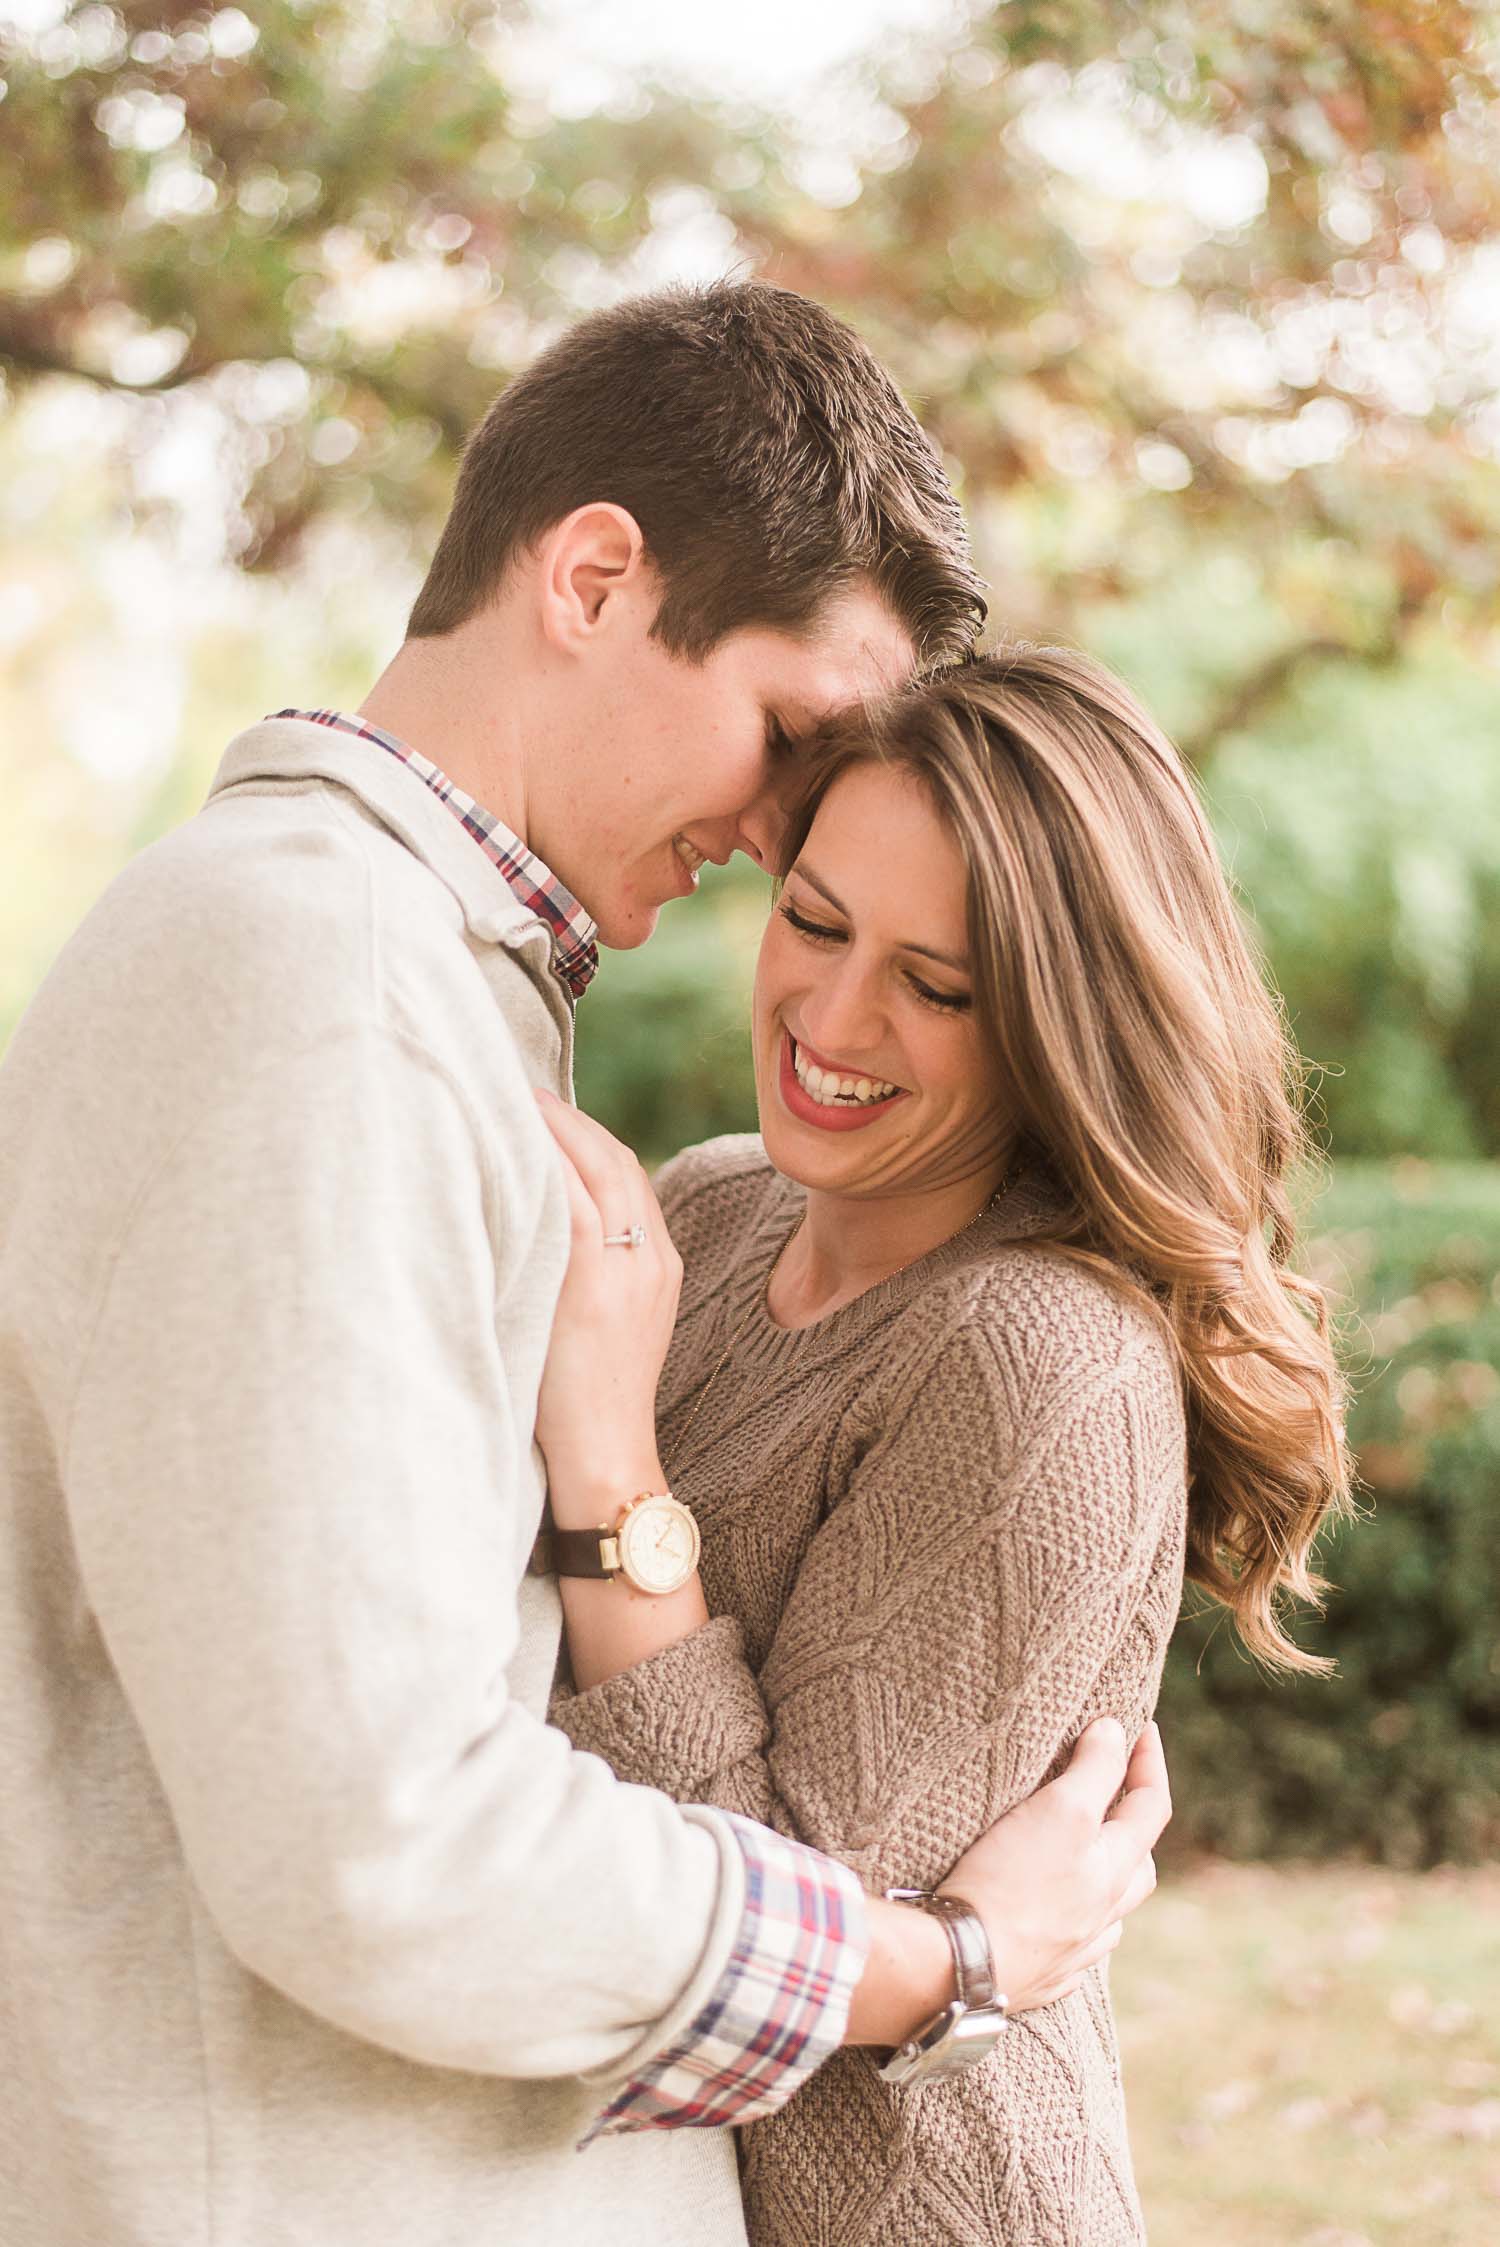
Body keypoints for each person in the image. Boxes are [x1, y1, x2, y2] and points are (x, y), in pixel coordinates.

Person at [0, 285, 1170, 2247]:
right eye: (791, 735)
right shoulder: (331, 990)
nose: (784, 823)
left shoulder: (392, 978)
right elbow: (380, 1841)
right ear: (597, 576)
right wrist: (938, 1958)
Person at [535, 646, 1353, 2246]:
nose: (835, 1016)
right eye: (817, 922)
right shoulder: (711, 1207)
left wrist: (611, 1473)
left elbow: (759, 1952)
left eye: (940, 984)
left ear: (1062, 1024)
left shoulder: (1037, 1359)